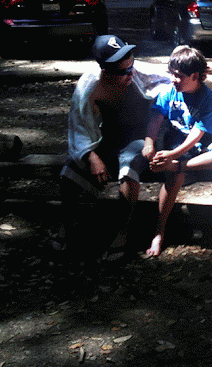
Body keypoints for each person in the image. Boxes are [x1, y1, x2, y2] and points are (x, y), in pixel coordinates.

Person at [60, 35, 171, 255]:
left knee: (128, 166)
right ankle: (66, 226)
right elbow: (78, 126)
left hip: (143, 138)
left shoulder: (141, 72)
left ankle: (122, 231)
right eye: (123, 72)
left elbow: (178, 82)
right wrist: (91, 156)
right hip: (110, 137)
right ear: (105, 72)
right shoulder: (89, 86)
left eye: (131, 67)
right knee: (69, 170)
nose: (130, 74)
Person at [142, 46, 212, 257]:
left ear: (195, 76)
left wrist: (174, 158)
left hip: (200, 144)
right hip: (175, 141)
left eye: (179, 76)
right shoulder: (168, 92)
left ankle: (179, 167)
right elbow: (156, 117)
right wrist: (149, 142)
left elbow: (198, 133)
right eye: (172, 74)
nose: (173, 79)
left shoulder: (207, 97)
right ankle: (159, 232)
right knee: (174, 179)